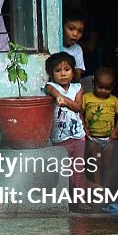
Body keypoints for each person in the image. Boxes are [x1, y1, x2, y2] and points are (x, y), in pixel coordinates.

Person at [44, 52, 88, 203]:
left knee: (79, 170)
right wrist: (58, 97)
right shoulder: (50, 86)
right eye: (58, 70)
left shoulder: (78, 87)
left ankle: (81, 200)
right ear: (51, 73)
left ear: (73, 71)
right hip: (59, 138)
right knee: (66, 172)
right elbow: (55, 94)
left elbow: (77, 107)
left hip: (78, 136)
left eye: (66, 69)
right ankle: (69, 201)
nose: (63, 74)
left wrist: (64, 100)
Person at [82, 66, 118, 188]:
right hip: (92, 138)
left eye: (108, 88)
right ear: (93, 83)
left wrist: (115, 132)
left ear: (113, 87)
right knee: (96, 163)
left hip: (108, 139)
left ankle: (106, 187)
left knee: (108, 164)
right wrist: (85, 129)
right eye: (100, 87)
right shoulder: (86, 98)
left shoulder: (114, 101)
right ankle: (97, 186)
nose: (103, 91)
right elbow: (80, 113)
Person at [61, 11, 86, 83]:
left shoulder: (77, 50)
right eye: (71, 29)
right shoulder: (52, 45)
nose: (75, 34)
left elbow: (77, 77)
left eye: (80, 31)